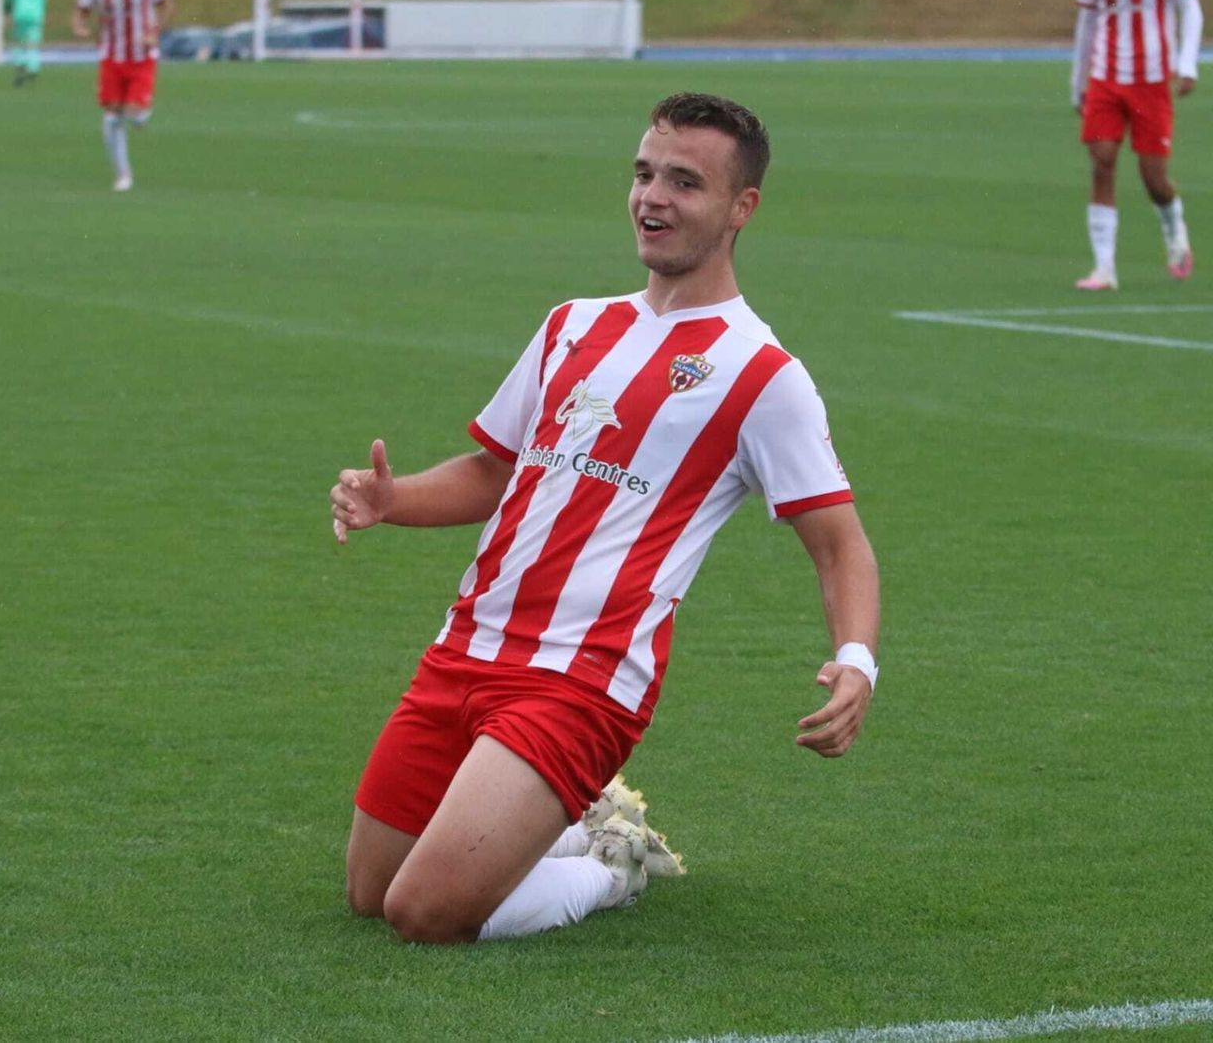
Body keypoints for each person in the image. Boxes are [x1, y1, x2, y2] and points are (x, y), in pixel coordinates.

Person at [330, 93, 881, 945]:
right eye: (644, 173)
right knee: (371, 893)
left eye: (685, 182)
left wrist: (856, 662)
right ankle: (561, 824)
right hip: (467, 645)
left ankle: (613, 868)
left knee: (423, 912)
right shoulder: (573, 325)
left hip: (583, 680)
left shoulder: (763, 374)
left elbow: (840, 546)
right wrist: (392, 500)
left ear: (742, 208)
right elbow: (494, 471)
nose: (652, 197)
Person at [1071, 0, 1203, 290]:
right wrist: (1077, 82)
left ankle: (1174, 228)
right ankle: (1104, 268)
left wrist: (1187, 64)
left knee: (1154, 180)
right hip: (1104, 76)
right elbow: (1087, 19)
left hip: (1151, 80)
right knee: (1102, 162)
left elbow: (1190, 7)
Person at [72, 0, 172, 193]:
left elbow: (165, 5)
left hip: (141, 56)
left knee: (134, 114)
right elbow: (82, 9)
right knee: (112, 117)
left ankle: (140, 115)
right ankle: (123, 174)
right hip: (111, 56)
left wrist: (154, 32)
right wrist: (79, 27)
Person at [3, 0, 47, 86]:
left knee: (19, 43)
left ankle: (20, 64)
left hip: (20, 14)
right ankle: (33, 66)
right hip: (36, 16)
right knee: (33, 44)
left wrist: (6, 11)